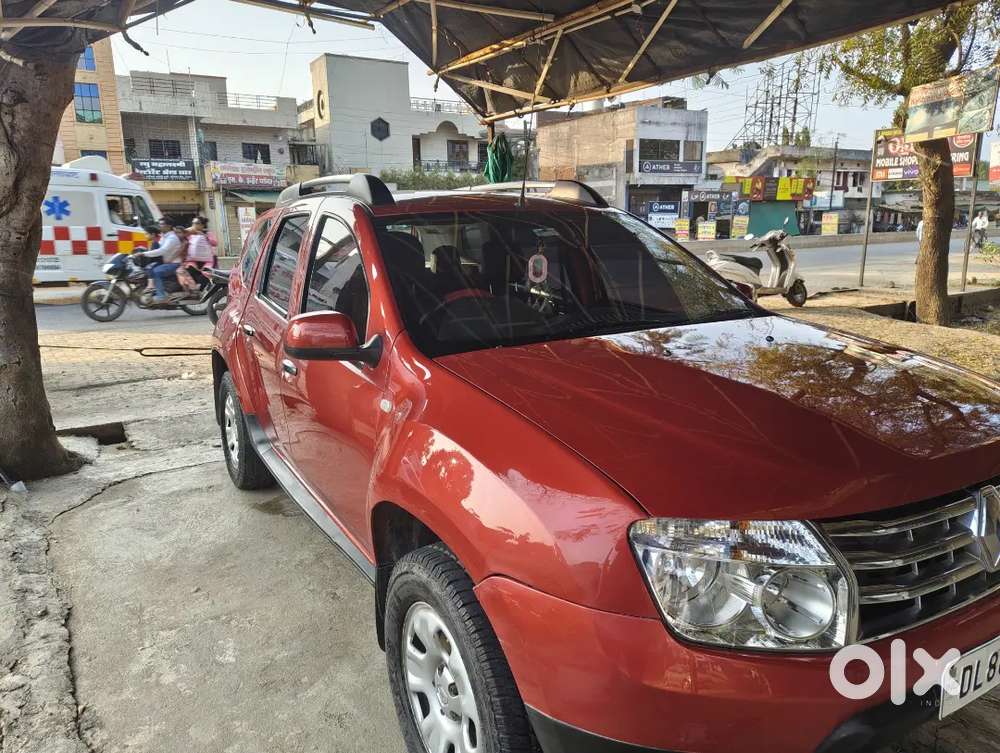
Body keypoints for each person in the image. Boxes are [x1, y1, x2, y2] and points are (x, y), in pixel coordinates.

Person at [138, 218, 185, 303]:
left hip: (174, 263)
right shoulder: (164, 237)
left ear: (169, 226)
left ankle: (161, 296)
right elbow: (157, 248)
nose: (159, 226)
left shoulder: (172, 238)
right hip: (167, 262)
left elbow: (162, 251)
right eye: (159, 224)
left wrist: (144, 254)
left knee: (156, 271)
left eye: (162, 224)